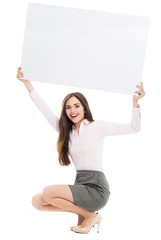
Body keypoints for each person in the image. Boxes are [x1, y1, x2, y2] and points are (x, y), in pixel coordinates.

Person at [16, 66, 145, 234]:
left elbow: (134, 128)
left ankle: (89, 216)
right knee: (37, 201)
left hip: (97, 188)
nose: (72, 111)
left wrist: (136, 103)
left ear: (84, 108)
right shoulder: (66, 132)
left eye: (76, 106)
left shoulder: (98, 127)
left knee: (48, 192)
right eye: (68, 107)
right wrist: (27, 83)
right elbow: (44, 109)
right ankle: (88, 214)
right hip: (81, 184)